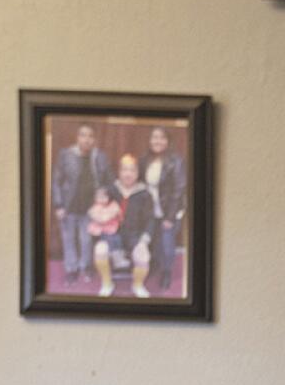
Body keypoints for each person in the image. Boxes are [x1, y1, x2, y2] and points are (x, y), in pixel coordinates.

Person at [50, 123, 110, 287]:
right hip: (68, 208)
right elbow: (56, 181)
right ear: (77, 137)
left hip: (90, 208)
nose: (87, 139)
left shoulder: (99, 156)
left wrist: (103, 193)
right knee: (68, 240)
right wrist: (59, 205)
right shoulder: (66, 155)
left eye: (90, 136)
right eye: (83, 135)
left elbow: (107, 181)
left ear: (94, 139)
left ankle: (86, 267)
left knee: (86, 241)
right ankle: (71, 269)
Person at [96, 154, 158, 299]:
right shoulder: (111, 190)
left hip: (134, 235)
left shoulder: (144, 193)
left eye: (132, 170)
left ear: (137, 173)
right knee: (100, 250)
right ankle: (107, 284)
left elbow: (151, 220)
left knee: (143, 257)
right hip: (112, 234)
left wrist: (144, 241)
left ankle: (137, 285)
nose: (128, 174)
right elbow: (98, 208)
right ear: (119, 172)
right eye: (124, 170)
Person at [142, 126, 188, 293]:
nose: (157, 141)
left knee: (167, 244)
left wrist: (169, 217)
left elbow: (179, 190)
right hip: (151, 208)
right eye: (154, 137)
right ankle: (155, 265)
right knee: (154, 241)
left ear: (168, 141)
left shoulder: (176, 161)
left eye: (162, 138)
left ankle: (167, 272)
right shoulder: (145, 159)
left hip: (170, 209)